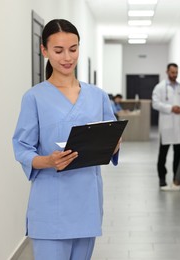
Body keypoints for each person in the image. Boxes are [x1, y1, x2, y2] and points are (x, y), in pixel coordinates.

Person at [12, 19, 120, 260]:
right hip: (50, 204)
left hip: (87, 202)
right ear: (44, 51)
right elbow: (22, 148)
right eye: (58, 51)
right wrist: (49, 161)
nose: (67, 57)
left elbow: (112, 139)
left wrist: (113, 143)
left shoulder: (98, 96)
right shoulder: (34, 98)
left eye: (73, 49)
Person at [152, 63, 180, 188]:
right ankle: (162, 178)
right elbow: (155, 104)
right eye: (172, 72)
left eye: (176, 73)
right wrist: (170, 108)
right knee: (163, 154)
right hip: (167, 126)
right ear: (167, 72)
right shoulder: (160, 87)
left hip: (179, 125)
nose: (175, 75)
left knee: (178, 154)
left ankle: (177, 177)